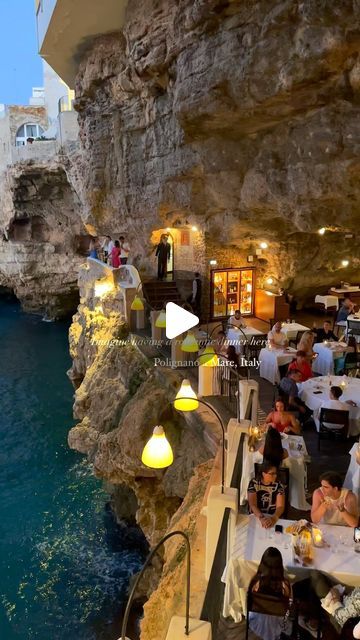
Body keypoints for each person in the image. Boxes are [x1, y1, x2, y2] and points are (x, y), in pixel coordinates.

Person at [248, 547, 292, 640]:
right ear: (280, 566)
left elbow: (249, 602)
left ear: (262, 564)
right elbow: (288, 608)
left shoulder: (255, 582)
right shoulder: (285, 585)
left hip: (257, 623)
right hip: (279, 625)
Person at [247, 461, 285, 527]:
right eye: (272, 473)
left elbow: (280, 506)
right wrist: (261, 518)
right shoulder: (254, 483)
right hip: (257, 515)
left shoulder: (278, 485)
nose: (275, 476)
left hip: (273, 515)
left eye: (275, 473)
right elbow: (252, 504)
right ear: (263, 473)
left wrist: (273, 518)